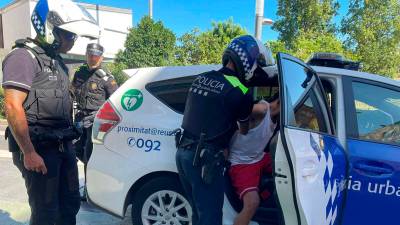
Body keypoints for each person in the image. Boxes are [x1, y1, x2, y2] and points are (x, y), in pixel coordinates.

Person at [2, 0, 100, 224]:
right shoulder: (23, 57)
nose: (73, 41)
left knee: (70, 205)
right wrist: (28, 152)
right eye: (69, 35)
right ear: (50, 30)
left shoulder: (57, 62)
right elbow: (12, 106)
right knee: (47, 213)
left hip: (62, 146)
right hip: (38, 149)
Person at [175, 35, 275, 225]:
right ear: (249, 62)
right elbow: (243, 130)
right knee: (211, 218)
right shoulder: (241, 92)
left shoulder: (202, 78)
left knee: (199, 212)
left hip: (182, 154)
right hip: (205, 159)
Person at [71, 43, 118, 200]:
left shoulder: (106, 78)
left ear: (101, 57)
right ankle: (94, 181)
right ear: (86, 55)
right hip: (79, 119)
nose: (93, 58)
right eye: (90, 55)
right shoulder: (80, 73)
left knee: (89, 154)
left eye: (96, 56)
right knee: (76, 150)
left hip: (96, 122)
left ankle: (90, 191)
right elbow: (71, 92)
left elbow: (116, 101)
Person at [228, 93, 280, 225]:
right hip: (242, 162)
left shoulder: (276, 117)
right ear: (280, 102)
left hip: (259, 156)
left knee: (289, 163)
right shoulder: (263, 110)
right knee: (252, 203)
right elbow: (237, 110)